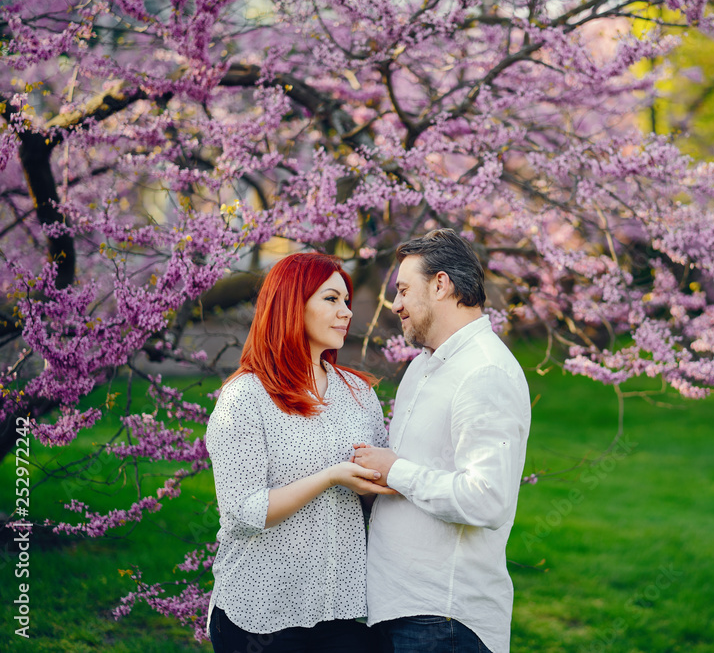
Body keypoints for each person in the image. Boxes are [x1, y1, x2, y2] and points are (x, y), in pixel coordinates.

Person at [353, 229, 531, 653]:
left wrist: (395, 469)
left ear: (440, 284)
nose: (394, 304)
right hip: (396, 607)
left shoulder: (485, 371)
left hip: (443, 619)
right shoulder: (422, 367)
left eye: (403, 289)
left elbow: (486, 499)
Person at [205, 252, 393, 653]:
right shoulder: (246, 397)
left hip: (339, 610)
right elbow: (245, 512)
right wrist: (330, 477)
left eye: (346, 301)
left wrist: (374, 481)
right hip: (259, 616)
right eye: (331, 299)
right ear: (292, 304)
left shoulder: (359, 393)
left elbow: (377, 492)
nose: (345, 312)